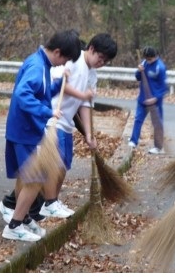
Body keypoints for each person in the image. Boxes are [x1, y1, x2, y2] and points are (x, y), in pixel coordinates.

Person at [0, 30, 83, 242]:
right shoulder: (37, 67)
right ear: (57, 52)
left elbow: (41, 92)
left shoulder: (40, 63)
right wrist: (48, 112)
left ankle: (24, 219)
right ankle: (14, 225)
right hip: (25, 131)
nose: (63, 64)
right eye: (64, 60)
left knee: (26, 177)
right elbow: (22, 95)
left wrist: (57, 84)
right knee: (35, 179)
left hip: (24, 130)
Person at [39, 32, 117, 224]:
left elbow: (86, 105)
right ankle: (48, 203)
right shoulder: (72, 60)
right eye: (100, 57)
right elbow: (58, 84)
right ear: (91, 49)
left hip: (66, 124)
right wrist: (82, 95)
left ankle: (51, 202)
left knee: (64, 165)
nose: (101, 62)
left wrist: (89, 134)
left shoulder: (92, 74)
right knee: (53, 164)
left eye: (106, 61)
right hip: (52, 118)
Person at [130, 46, 169, 154]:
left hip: (155, 101)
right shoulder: (144, 63)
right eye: (146, 59)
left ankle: (158, 147)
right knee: (138, 119)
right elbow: (138, 77)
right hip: (143, 99)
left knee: (157, 123)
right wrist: (139, 71)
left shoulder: (160, 68)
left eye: (150, 59)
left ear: (155, 56)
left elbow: (164, 88)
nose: (148, 61)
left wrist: (155, 98)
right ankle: (133, 141)